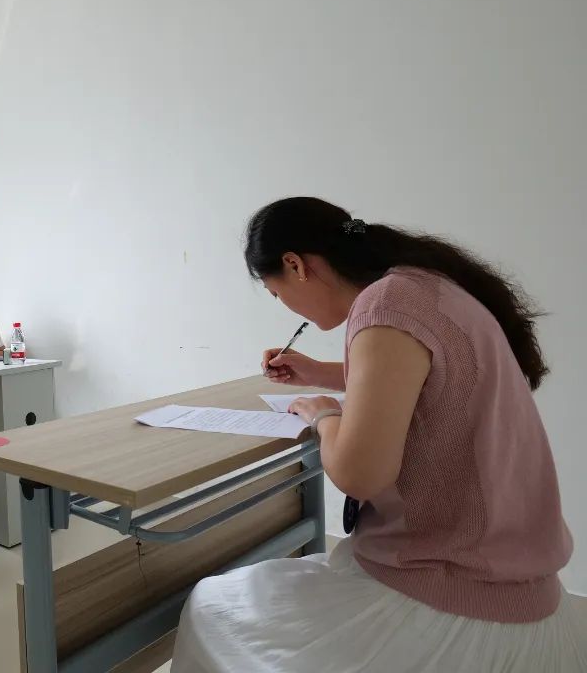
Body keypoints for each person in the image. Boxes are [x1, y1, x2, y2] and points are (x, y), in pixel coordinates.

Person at [172, 197, 587, 672]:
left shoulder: (385, 304)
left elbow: (360, 474)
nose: (284, 305)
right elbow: (424, 378)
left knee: (212, 608)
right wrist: (318, 372)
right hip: (516, 589)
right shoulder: (425, 285)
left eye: (275, 292)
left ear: (295, 266)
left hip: (453, 601)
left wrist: (325, 416)